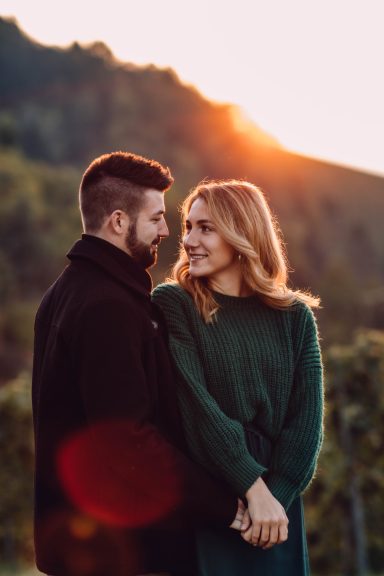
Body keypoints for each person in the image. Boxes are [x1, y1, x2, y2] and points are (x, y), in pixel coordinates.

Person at [31, 154, 246, 576]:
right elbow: (128, 441)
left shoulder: (65, 293)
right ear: (117, 221)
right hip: (125, 549)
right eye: (156, 218)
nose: (167, 232)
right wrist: (225, 507)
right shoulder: (107, 306)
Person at [152, 179, 324, 575]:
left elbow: (305, 425)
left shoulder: (295, 317)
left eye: (206, 228)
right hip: (214, 495)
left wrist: (275, 503)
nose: (190, 240)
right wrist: (252, 491)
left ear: (242, 233)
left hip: (278, 508)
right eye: (189, 227)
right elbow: (196, 406)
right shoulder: (174, 302)